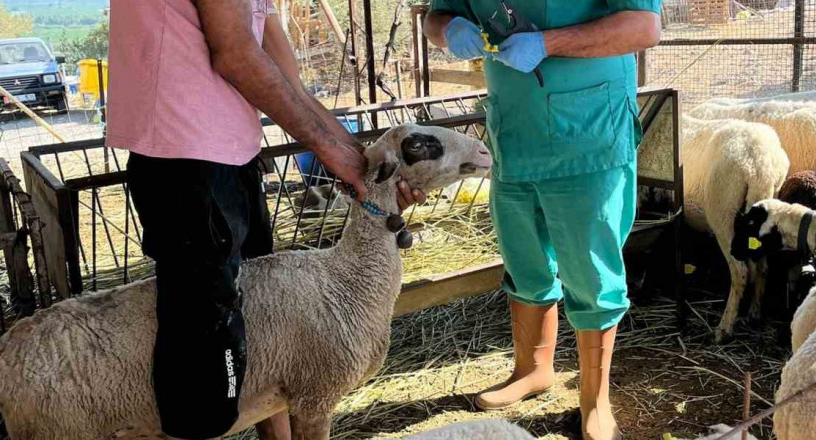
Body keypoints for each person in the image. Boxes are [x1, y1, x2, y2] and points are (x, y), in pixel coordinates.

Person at [107, 1, 424, 439]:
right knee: (205, 341)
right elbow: (236, 52)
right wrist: (335, 154)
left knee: (258, 324)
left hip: (234, 155)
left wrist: (365, 167)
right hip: (184, 156)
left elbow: (287, 78)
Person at [423, 2, 661, 440]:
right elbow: (436, 18)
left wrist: (549, 43)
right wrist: (450, 28)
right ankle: (532, 369)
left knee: (591, 269)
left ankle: (594, 399)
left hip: (587, 134)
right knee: (523, 256)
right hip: (513, 131)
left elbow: (643, 27)